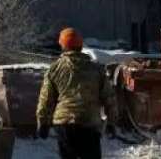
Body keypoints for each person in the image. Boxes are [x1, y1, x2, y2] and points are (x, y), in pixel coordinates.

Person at [36, 27, 119, 159]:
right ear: (80, 46)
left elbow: (46, 99)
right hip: (89, 124)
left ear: (63, 46)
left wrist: (43, 123)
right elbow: (109, 97)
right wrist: (111, 123)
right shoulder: (96, 69)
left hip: (64, 125)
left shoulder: (54, 69)